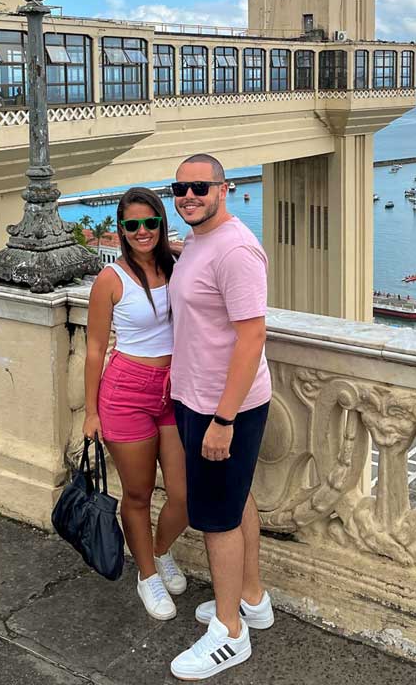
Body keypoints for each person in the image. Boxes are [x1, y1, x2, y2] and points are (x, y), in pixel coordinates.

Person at [167, 154, 273, 680]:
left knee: (215, 518)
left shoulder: (235, 249)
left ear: (224, 189)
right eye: (180, 188)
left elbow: (252, 335)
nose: (189, 196)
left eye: (200, 187)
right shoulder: (199, 243)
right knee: (237, 498)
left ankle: (230, 632)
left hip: (223, 408)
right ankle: (251, 598)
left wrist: (224, 419)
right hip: (198, 397)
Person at [83, 187, 188, 620]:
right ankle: (147, 574)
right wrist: (90, 411)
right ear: (122, 230)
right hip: (127, 391)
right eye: (131, 225)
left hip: (175, 389)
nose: (142, 231)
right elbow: (94, 348)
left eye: (150, 222)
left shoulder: (177, 265)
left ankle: (161, 551)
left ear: (161, 224)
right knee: (139, 492)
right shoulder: (112, 279)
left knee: (185, 495)